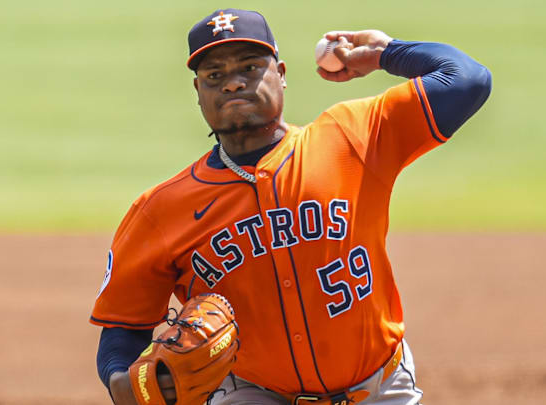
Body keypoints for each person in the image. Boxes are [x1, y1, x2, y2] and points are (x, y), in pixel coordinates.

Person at [91, 8, 491, 405]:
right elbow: (122, 328)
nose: (233, 83)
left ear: (281, 74)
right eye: (215, 76)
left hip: (378, 389)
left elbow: (468, 81)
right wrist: (119, 381)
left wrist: (385, 52)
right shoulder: (161, 210)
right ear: (198, 93)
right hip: (252, 394)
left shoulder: (352, 137)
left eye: (249, 67)